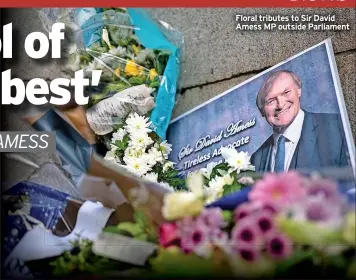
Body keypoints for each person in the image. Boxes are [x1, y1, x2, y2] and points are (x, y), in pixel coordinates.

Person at [251, 70, 350, 173]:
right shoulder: (255, 160)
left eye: (286, 92)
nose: (280, 105)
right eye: (271, 101)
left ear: (299, 90)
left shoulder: (337, 126)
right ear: (261, 111)